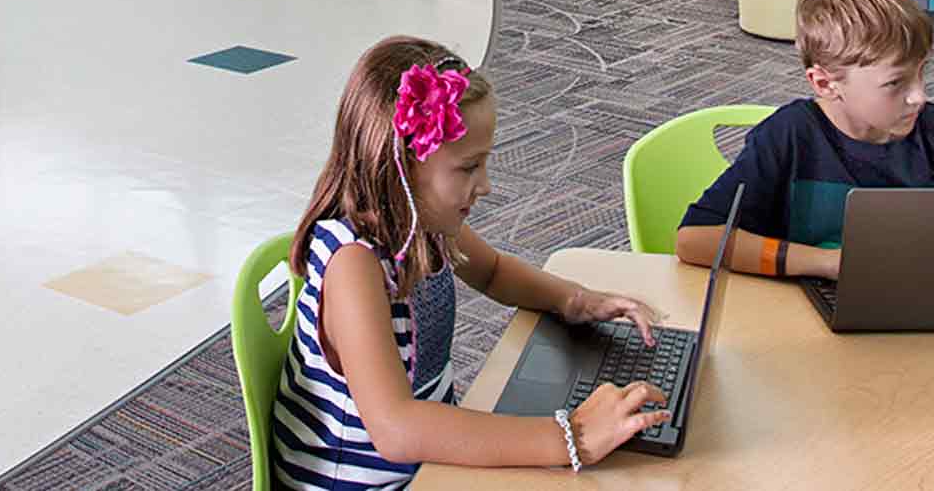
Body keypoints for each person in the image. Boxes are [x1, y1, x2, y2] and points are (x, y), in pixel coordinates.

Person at [272, 37, 671, 488]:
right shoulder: (354, 266)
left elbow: (494, 271)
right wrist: (572, 437)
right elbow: (396, 430)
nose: (485, 186)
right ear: (401, 166)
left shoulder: (422, 222)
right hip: (368, 480)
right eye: (468, 168)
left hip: (422, 454)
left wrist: (576, 300)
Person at [676, 0, 934, 280]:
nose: (919, 96)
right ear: (826, 84)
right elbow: (696, 239)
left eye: (922, 73)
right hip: (802, 318)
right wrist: (827, 263)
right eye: (895, 83)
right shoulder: (789, 136)